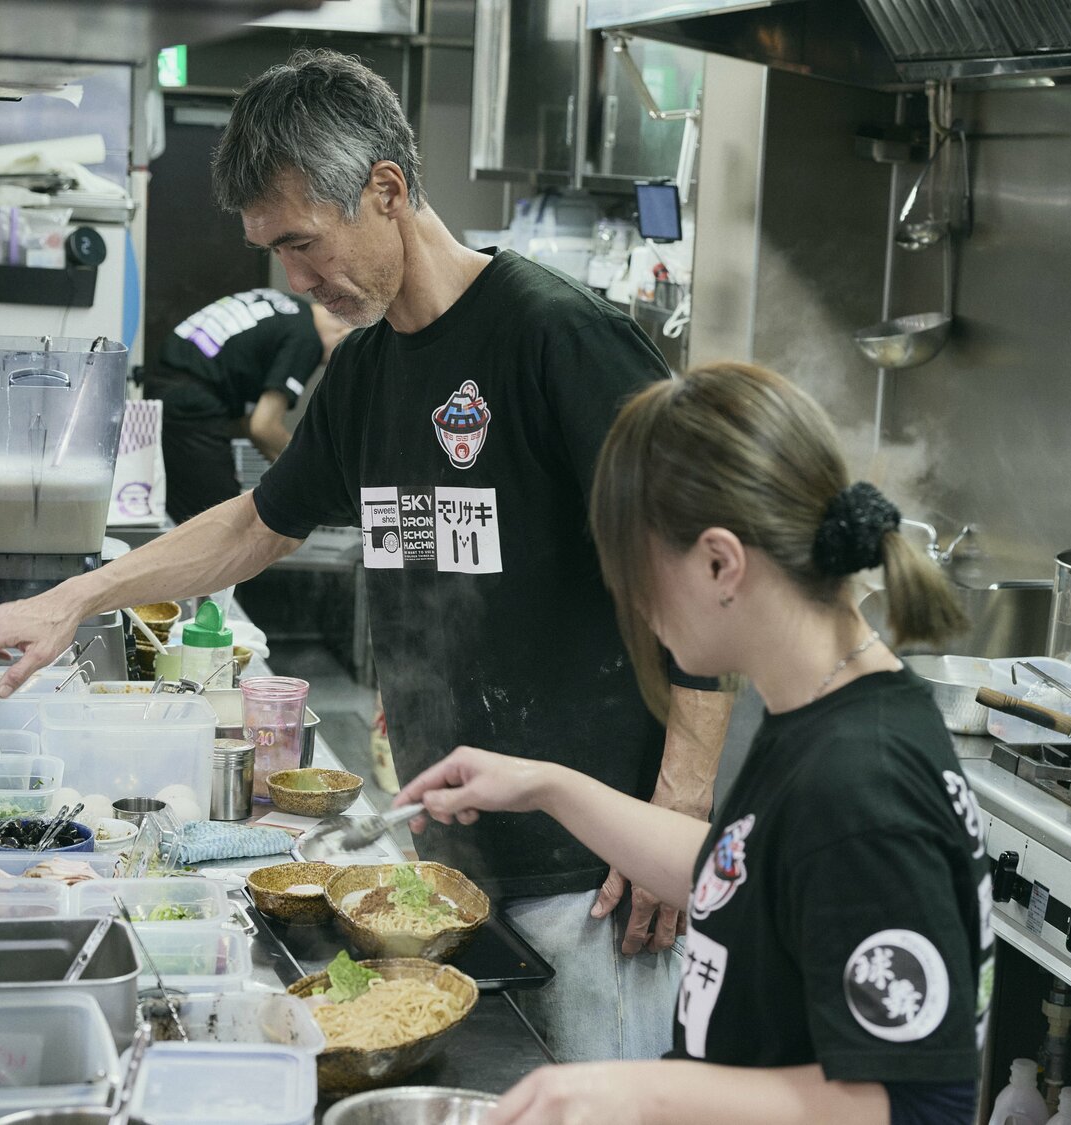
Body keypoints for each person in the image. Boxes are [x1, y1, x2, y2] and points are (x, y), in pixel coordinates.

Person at [0, 48, 733, 1062]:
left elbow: (700, 560)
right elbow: (255, 523)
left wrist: (680, 808)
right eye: (276, 250)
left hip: (597, 875)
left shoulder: (558, 337)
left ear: (387, 190)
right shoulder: (363, 371)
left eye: (304, 242)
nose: (297, 279)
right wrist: (73, 599)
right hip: (449, 856)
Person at [397, 362, 992, 1125]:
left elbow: (916, 1104)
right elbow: (742, 875)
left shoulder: (861, 779)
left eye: (637, 580)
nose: (636, 612)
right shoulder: (821, 712)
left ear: (720, 562)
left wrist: (634, 1090)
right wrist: (547, 786)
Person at [143, 288, 352, 523]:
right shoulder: (306, 338)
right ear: (344, 335)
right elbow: (263, 427)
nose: (326, 364)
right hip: (193, 408)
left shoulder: (281, 303)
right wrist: (322, 472)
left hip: (163, 390)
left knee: (192, 517)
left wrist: (286, 469)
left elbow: (250, 426)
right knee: (226, 524)